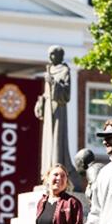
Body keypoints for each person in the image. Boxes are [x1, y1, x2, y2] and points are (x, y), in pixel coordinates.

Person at [34, 45, 83, 190]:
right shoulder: (49, 70)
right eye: (49, 54)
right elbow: (46, 94)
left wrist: (53, 82)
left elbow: (66, 94)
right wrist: (41, 102)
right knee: (48, 142)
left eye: (53, 54)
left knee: (57, 141)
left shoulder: (64, 70)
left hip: (59, 110)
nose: (51, 57)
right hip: (49, 112)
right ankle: (47, 174)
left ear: (60, 56)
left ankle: (60, 170)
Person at [75, 147, 105, 224]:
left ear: (81, 163)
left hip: (101, 211)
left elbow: (96, 188)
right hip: (101, 210)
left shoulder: (92, 169)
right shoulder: (100, 167)